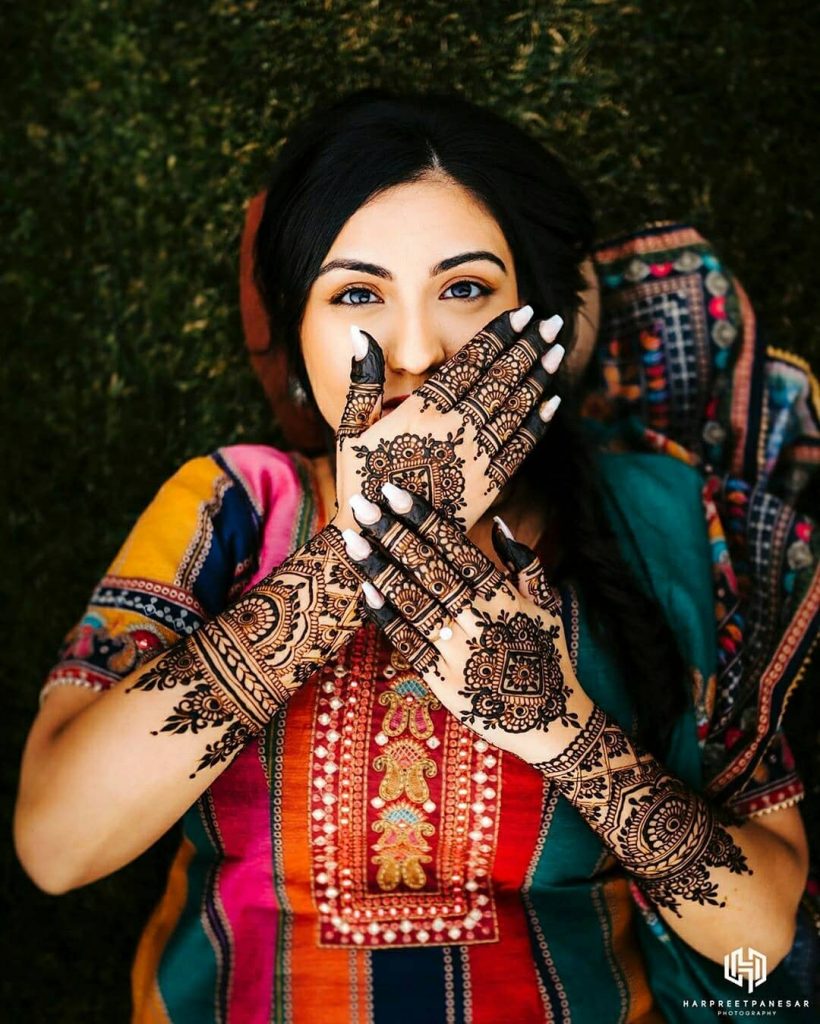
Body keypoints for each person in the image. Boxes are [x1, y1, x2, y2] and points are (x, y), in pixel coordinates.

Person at [13, 91, 819, 1023]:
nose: (416, 349)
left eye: (466, 290)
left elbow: (761, 946)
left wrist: (559, 727)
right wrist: (368, 542)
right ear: (296, 333)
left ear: (539, 320)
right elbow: (56, 845)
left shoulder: (662, 522)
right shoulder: (234, 504)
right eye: (356, 294)